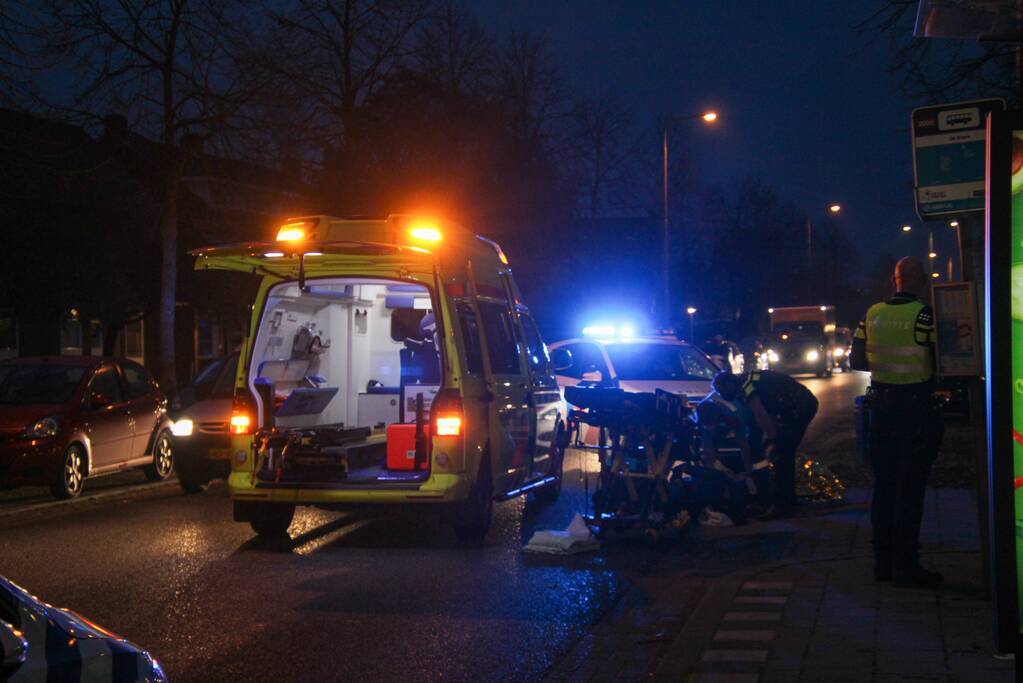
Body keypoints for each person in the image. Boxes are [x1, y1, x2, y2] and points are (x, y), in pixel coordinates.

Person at [850, 256, 944, 588]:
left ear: (895, 280)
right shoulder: (925, 315)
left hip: (882, 411)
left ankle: (883, 563)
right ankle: (907, 565)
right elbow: (943, 359)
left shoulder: (873, 314)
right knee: (911, 489)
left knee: (885, 487)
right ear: (921, 281)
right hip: (916, 411)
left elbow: (856, 359)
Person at [723, 369, 819, 519]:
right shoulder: (751, 379)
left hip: (799, 406)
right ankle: (788, 501)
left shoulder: (747, 385)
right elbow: (770, 410)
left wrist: (773, 440)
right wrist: (771, 437)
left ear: (730, 384)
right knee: (784, 453)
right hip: (799, 404)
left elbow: (760, 414)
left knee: (781, 456)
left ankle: (783, 506)